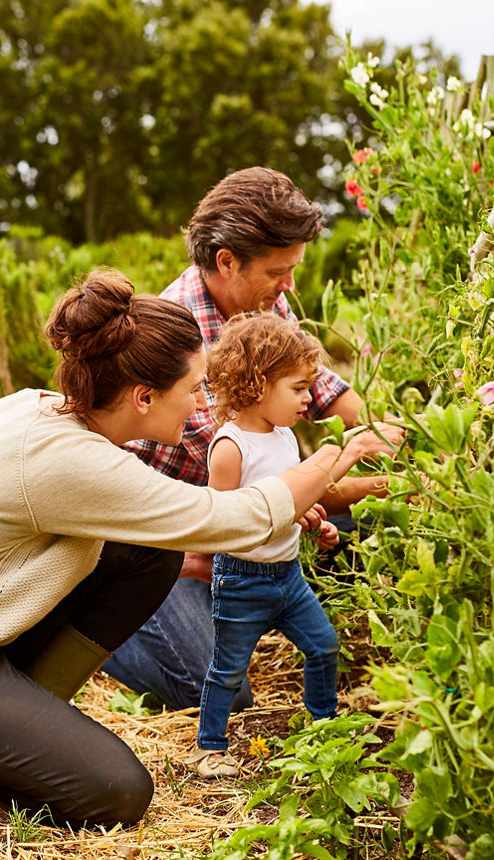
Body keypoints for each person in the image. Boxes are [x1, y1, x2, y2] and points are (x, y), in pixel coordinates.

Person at [0, 269, 403, 828]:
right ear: (143, 396)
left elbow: (197, 526)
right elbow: (233, 519)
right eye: (193, 389)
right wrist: (341, 454)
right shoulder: (69, 461)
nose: (203, 406)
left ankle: (26, 709)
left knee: (147, 552)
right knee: (118, 792)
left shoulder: (45, 410)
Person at [104, 167, 386, 716]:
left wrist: (397, 436)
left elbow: (330, 394)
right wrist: (376, 482)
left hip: (234, 525)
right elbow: (271, 495)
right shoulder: (180, 344)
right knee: (226, 695)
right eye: (279, 272)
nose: (290, 288)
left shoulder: (259, 305)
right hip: (160, 549)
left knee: (366, 524)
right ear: (227, 260)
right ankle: (102, 632)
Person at [190, 313, 345, 778]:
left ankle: (324, 723)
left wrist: (311, 517)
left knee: (323, 646)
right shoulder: (231, 447)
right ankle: (209, 747)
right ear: (257, 384)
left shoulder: (285, 437)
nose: (309, 398)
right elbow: (226, 522)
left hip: (288, 575)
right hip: (242, 579)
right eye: (298, 388)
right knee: (229, 670)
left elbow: (285, 500)